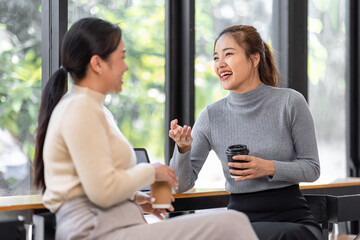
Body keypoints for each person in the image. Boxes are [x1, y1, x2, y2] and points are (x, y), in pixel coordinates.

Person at [33, 18, 258, 240]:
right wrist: (152, 171)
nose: (126, 66)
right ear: (97, 64)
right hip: (99, 233)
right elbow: (102, 191)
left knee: (231, 224)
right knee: (232, 223)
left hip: (115, 227)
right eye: (121, 57)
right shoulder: (79, 109)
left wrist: (135, 199)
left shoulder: (91, 109)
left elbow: (93, 184)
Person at [169, 25, 322, 240]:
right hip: (239, 222)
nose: (220, 64)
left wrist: (267, 167)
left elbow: (312, 169)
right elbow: (181, 185)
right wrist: (182, 149)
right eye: (215, 58)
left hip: (293, 219)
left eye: (228, 54)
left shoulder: (290, 102)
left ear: (254, 58)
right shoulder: (211, 115)